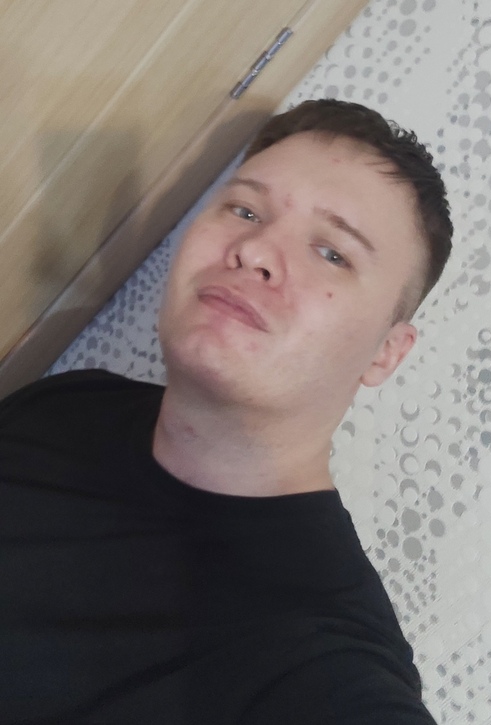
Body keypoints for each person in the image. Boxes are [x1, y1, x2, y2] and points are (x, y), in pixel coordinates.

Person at [0, 99, 453, 724]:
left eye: (332, 253)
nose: (256, 250)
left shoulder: (324, 662)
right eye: (245, 210)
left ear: (385, 353)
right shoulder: (71, 403)